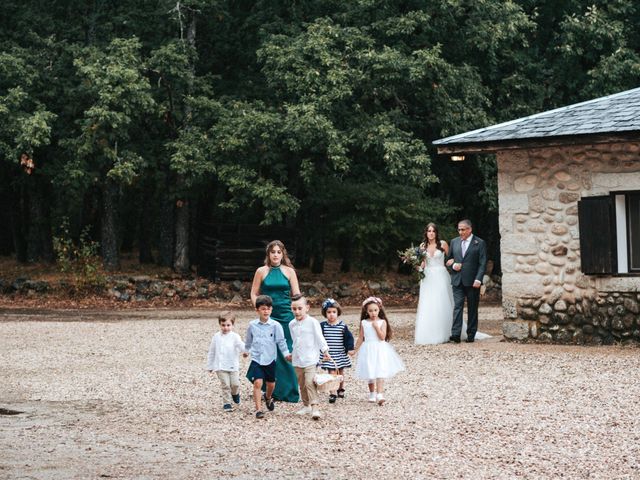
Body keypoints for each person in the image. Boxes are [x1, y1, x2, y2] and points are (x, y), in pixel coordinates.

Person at [250, 240, 300, 403]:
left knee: (287, 350)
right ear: (268, 254)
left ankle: (289, 391)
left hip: (286, 315)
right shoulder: (261, 271)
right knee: (266, 348)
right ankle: (267, 388)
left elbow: (297, 295)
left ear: (282, 254)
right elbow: (254, 293)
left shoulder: (289, 272)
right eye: (273, 252)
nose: (276, 255)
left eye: (278, 252)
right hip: (268, 314)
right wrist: (258, 308)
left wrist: (299, 313)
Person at [245, 295, 292, 419]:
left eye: (268, 309)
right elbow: (249, 340)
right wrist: (246, 350)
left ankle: (268, 397)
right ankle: (258, 409)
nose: (265, 311)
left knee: (271, 384)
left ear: (271, 310)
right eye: (263, 309)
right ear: (257, 310)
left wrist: (286, 353)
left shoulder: (276, 325)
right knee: (257, 382)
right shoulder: (252, 325)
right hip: (257, 359)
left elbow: (281, 341)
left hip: (270, 359)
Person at [354, 296, 405, 405]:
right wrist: (355, 350)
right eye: (370, 310)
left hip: (379, 348)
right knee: (370, 370)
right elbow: (360, 337)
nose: (373, 313)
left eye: (375, 310)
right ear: (366, 311)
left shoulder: (382, 322)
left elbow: (382, 337)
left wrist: (376, 327)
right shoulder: (364, 322)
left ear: (379, 310)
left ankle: (380, 394)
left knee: (380, 369)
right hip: (367, 349)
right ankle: (372, 393)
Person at [288, 294, 331, 420]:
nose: (297, 311)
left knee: (309, 382)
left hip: (311, 358)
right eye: (294, 309)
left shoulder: (313, 322)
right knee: (301, 384)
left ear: (307, 307)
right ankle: (306, 405)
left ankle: (315, 408)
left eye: (299, 308)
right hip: (297, 359)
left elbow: (319, 337)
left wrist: (325, 350)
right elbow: (294, 340)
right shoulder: (291, 324)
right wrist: (292, 352)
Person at [445, 219, 488, 343]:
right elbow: (449, 260)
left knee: (472, 308)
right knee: (457, 307)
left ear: (470, 229)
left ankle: (471, 334)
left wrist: (478, 279)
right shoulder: (454, 242)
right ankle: (456, 334)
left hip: (473, 282)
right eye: (459, 229)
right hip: (457, 280)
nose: (460, 232)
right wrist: (453, 266)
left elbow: (482, 263)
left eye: (463, 229)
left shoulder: (479, 243)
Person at [414, 223, 454, 345]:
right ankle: (429, 333)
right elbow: (422, 263)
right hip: (427, 277)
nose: (431, 233)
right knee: (428, 303)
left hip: (441, 275)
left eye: (433, 231)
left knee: (442, 302)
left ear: (436, 233)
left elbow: (451, 257)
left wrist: (452, 262)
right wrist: (417, 266)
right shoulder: (422, 246)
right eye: (429, 231)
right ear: (426, 233)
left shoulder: (443, 244)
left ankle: (446, 332)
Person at [206, 311, 246, 412]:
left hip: (233, 365)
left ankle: (235, 393)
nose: (226, 327)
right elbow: (212, 351)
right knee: (226, 385)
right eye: (223, 325)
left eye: (228, 325)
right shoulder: (216, 337)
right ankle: (227, 403)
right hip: (220, 366)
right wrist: (210, 366)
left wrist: (245, 351)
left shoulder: (235, 336)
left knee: (235, 384)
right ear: (220, 324)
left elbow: (241, 345)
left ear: (232, 325)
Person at [318, 298, 354, 402]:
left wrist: (350, 348)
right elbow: (319, 338)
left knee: (340, 372)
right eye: (329, 312)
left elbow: (348, 338)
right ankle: (332, 392)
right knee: (332, 373)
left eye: (334, 312)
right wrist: (320, 351)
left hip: (340, 353)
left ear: (338, 312)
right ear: (325, 313)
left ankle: (340, 388)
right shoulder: (323, 326)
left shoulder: (342, 326)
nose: (331, 314)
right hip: (328, 354)